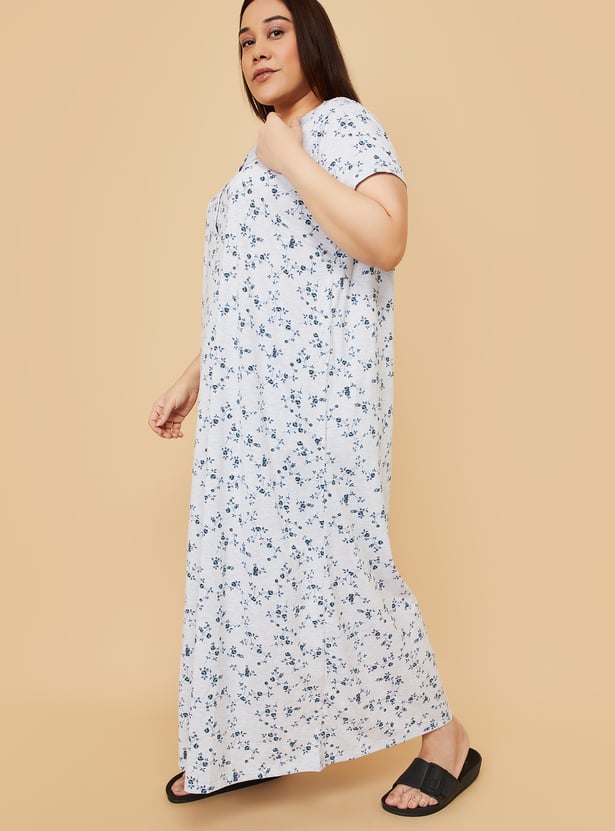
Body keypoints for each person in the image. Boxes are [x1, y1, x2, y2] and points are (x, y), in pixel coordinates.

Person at [148, 0, 481, 816]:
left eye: (274, 31)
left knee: (341, 561)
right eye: (243, 40)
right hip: (245, 414)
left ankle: (445, 737)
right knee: (246, 575)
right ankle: (245, 741)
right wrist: (196, 374)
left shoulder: (340, 126)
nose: (256, 51)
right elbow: (262, 291)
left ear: (311, 39)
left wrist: (291, 161)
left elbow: (386, 238)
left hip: (316, 406)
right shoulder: (263, 153)